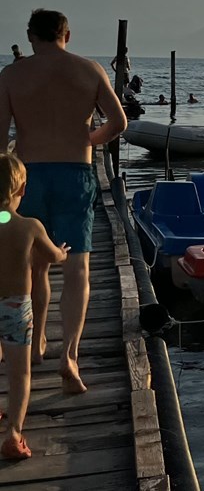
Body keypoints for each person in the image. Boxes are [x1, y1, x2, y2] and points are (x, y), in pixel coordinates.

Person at [0, 9, 127, 394]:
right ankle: (69, 355)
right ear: (66, 36)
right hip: (75, 172)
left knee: (35, 264)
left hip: (28, 176)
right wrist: (87, 140)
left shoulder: (12, 75)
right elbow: (119, 123)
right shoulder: (88, 70)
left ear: (31, 36)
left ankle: (36, 341)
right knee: (78, 267)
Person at [0, 152, 69, 460]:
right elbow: (53, 256)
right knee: (19, 373)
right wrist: (64, 253)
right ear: (22, 189)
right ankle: (14, 431)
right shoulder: (28, 226)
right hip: (15, 307)